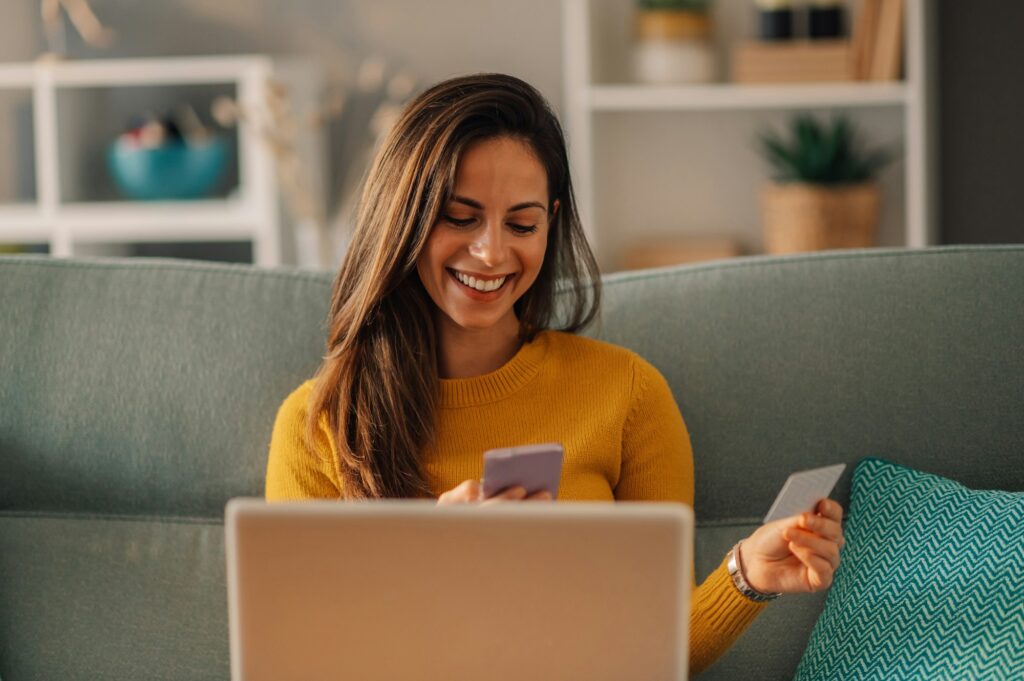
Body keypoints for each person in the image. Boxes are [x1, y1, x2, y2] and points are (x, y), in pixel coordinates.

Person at [266, 73, 845, 675]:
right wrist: (430, 571)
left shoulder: (627, 394)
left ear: (552, 220)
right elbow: (298, 661)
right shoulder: (320, 425)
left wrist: (747, 575)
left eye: (522, 224)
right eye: (460, 218)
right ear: (403, 219)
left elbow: (653, 650)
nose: (492, 253)